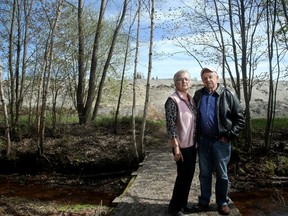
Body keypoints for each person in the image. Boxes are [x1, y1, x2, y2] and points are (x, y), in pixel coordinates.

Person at [193, 67, 245, 215]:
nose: (207, 80)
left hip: (221, 142)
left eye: (210, 77)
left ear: (217, 78)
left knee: (222, 174)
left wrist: (228, 136)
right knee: (204, 173)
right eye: (204, 78)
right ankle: (204, 201)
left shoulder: (228, 94)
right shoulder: (198, 95)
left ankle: (222, 202)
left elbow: (240, 119)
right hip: (203, 141)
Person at [165, 69, 197, 216]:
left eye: (186, 79)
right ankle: (174, 207)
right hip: (181, 146)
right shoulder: (172, 100)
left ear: (189, 82)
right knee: (182, 177)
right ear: (175, 82)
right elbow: (171, 125)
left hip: (192, 146)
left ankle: (183, 204)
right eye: (180, 79)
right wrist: (176, 147)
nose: (184, 81)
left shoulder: (191, 99)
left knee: (189, 176)